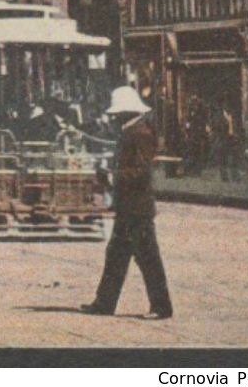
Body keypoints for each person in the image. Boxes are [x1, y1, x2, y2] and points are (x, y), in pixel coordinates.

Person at [82, 85, 173, 320]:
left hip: (137, 207)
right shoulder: (133, 130)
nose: (113, 118)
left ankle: (161, 307)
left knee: (147, 258)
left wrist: (113, 176)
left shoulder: (139, 133)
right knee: (117, 255)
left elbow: (141, 171)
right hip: (131, 206)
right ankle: (104, 302)